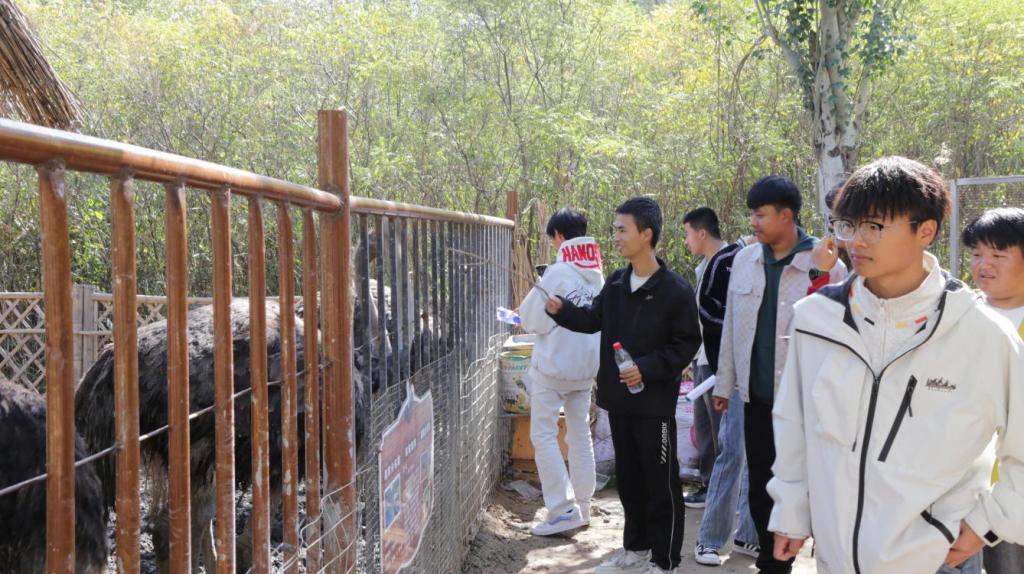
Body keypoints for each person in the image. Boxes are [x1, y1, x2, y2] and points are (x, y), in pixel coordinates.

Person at [768, 157, 1024, 574]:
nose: (857, 241)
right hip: (835, 558)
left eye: (874, 226)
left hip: (937, 558)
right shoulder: (817, 320)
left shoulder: (982, 334)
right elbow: (793, 423)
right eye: (849, 225)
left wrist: (988, 523)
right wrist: (791, 510)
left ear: (926, 231)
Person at [546, 197, 702, 574]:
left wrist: (645, 369)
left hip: (654, 407)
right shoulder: (616, 283)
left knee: (660, 484)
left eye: (622, 229)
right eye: (615, 229)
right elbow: (591, 319)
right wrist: (562, 311)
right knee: (630, 482)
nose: (615, 236)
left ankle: (664, 561)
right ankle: (635, 549)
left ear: (646, 234)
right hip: (619, 403)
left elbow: (686, 343)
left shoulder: (675, 290)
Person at [712, 175, 846, 574]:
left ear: (786, 216)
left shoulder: (825, 264)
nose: (753, 223)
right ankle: (772, 564)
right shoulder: (745, 261)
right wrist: (724, 383)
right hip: (757, 397)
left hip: (807, 402)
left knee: (816, 486)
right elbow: (732, 326)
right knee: (761, 486)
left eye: (760, 215)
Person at [518, 208, 605, 536]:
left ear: (558, 236)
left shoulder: (557, 272)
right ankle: (583, 504)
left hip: (554, 366)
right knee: (579, 432)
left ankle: (562, 509)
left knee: (543, 434)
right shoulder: (597, 273)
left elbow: (532, 319)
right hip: (585, 368)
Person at [681, 207, 759, 566]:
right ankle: (711, 537)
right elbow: (716, 318)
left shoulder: (780, 260)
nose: (755, 226)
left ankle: (749, 535)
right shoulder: (724, 263)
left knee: (755, 456)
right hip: (722, 368)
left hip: (759, 374)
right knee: (728, 448)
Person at [961, 207, 1024, 574]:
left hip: (1014, 494)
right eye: (977, 254)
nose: (983, 264)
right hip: (971, 493)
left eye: (998, 255)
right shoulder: (958, 317)